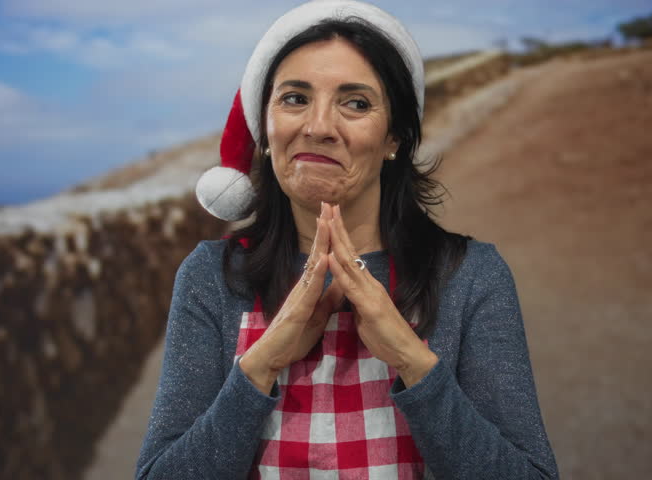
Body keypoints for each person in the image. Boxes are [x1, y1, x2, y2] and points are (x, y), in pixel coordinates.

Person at [135, 1, 558, 478]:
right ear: (266, 130)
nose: (318, 127)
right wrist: (262, 365)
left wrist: (411, 359)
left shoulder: (468, 276)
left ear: (395, 137)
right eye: (294, 98)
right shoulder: (212, 277)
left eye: (356, 103)